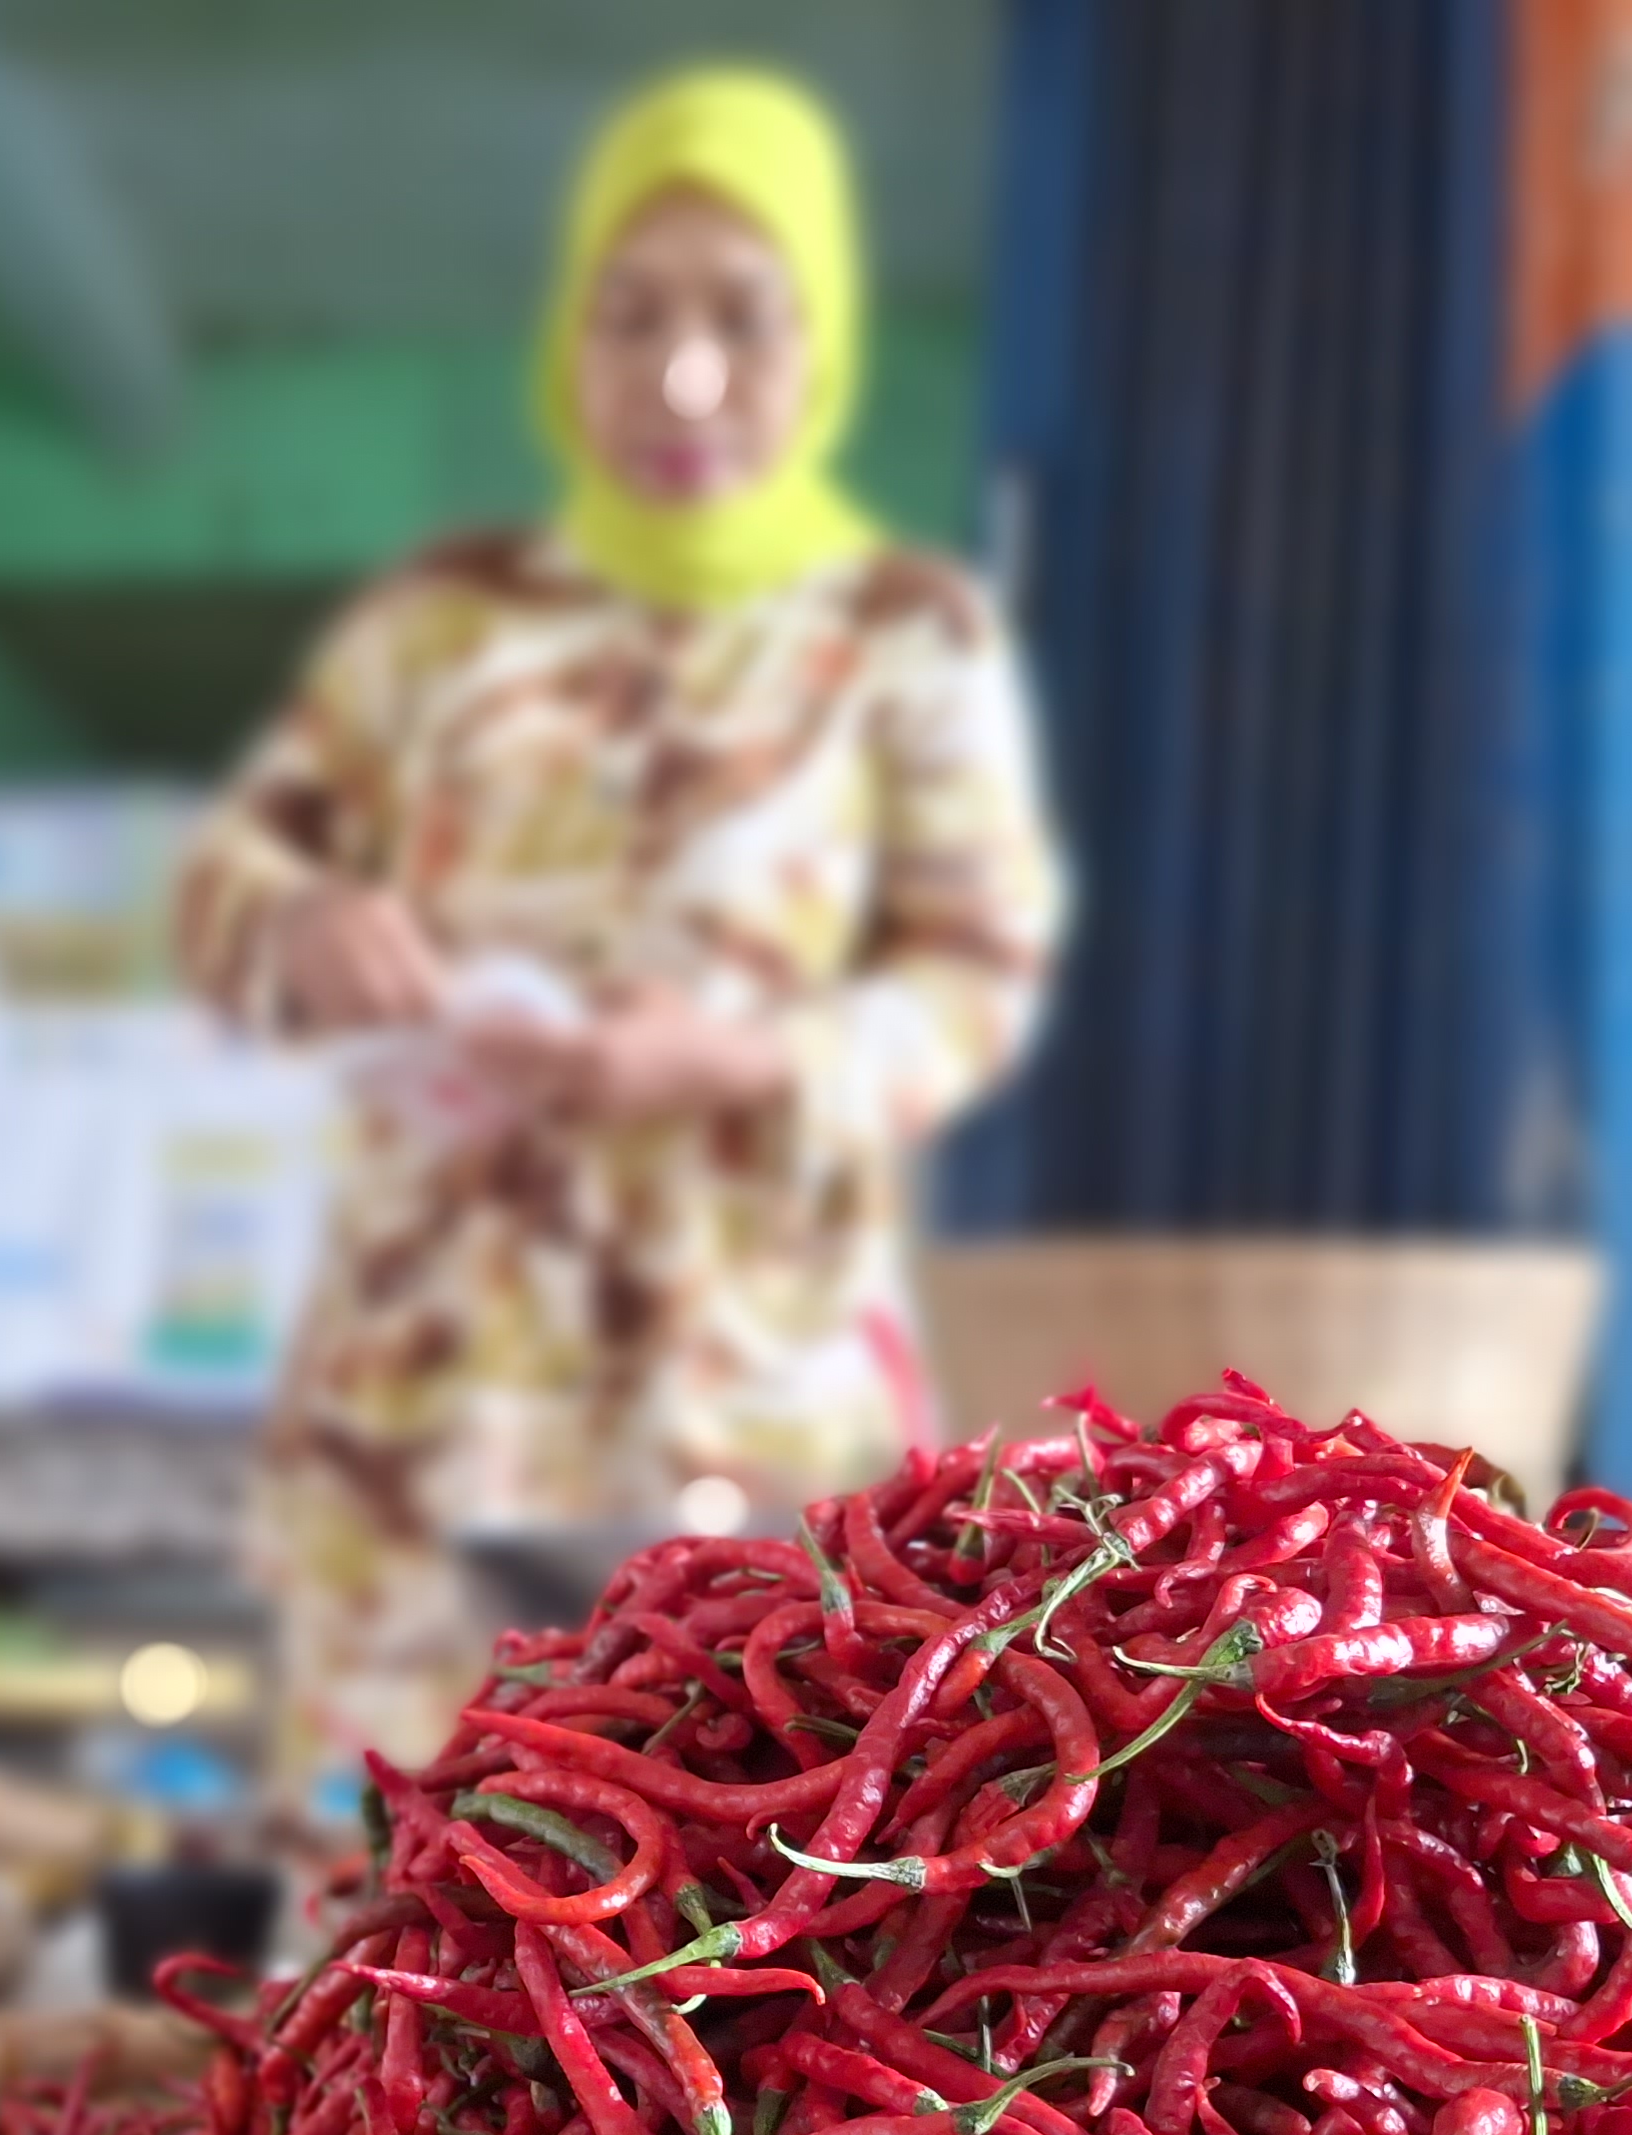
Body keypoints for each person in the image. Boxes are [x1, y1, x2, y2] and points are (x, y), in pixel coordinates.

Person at [175, 63, 1070, 1830]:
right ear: (568, 340)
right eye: (630, 313)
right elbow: (233, 873)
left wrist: (743, 1058)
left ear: (821, 346)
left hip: (746, 1386)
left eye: (742, 319)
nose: (682, 378)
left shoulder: (899, 635)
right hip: (426, 1394)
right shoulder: (442, 626)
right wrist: (298, 925)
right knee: (393, 1909)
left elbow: (981, 970)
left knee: (738, 1910)